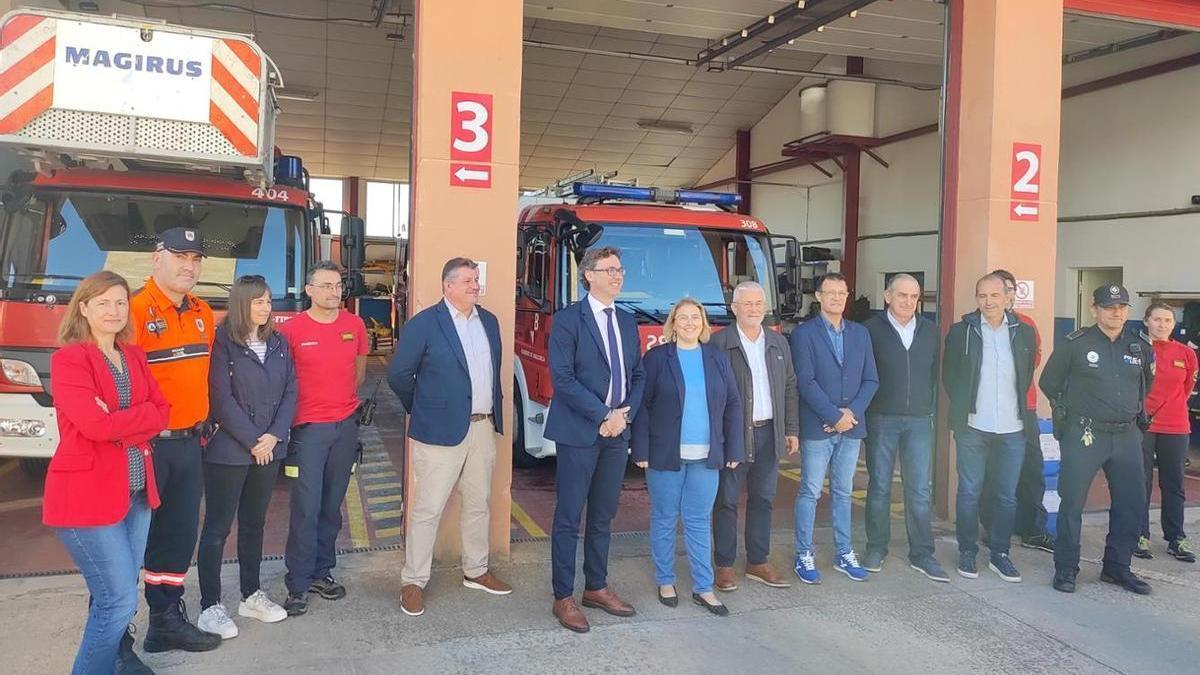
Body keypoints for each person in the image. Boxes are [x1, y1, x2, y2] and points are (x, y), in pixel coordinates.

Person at [45, 271, 170, 675]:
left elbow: (163, 412)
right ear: (83, 308)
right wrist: (140, 417)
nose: (113, 311)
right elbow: (93, 427)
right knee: (117, 601)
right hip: (87, 498)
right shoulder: (69, 360)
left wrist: (119, 416)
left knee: (116, 598)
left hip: (135, 496)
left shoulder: (133, 355)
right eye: (103, 303)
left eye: (120, 302)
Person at [388, 258, 511, 618]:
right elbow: (399, 375)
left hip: (482, 428)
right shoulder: (424, 324)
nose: (475, 285)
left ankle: (476, 570)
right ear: (448, 286)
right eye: (468, 280)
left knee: (478, 504)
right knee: (427, 509)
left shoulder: (488, 321)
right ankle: (413, 581)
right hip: (439, 432)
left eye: (476, 279)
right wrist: (425, 409)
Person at [128, 227, 221, 653]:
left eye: (196, 258)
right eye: (180, 256)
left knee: (179, 536)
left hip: (189, 445)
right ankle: (115, 636)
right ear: (157, 258)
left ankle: (165, 620)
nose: (189, 265)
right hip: (146, 447)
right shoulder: (132, 310)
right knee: (130, 540)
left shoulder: (202, 311)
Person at [544, 246, 645, 634]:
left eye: (620, 269)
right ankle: (563, 596)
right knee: (570, 517)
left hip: (617, 432)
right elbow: (563, 378)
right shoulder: (569, 320)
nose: (618, 276)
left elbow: (638, 376)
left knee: (603, 515)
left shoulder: (627, 320)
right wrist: (604, 415)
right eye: (609, 270)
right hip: (579, 431)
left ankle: (597, 587)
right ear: (589, 275)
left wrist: (622, 417)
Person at [196, 276, 297, 639]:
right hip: (230, 451)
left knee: (254, 523)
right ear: (241, 303)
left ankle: (250, 595)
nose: (266, 308)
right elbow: (221, 399)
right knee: (217, 528)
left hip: (267, 449)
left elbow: (290, 390)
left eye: (268, 301)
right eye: (258, 302)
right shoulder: (222, 342)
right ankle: (210, 606)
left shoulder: (279, 342)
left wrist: (272, 436)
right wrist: (255, 439)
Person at [632, 298, 744, 616]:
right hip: (664, 454)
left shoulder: (716, 358)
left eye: (696, 317)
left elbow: (733, 405)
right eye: (683, 317)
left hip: (706, 456)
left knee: (698, 521)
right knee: (665, 518)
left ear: (704, 323)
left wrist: (733, 448)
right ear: (673, 323)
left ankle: (703, 588)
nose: (690, 322)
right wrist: (640, 450)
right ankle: (665, 581)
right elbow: (643, 407)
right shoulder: (656, 359)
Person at [1041, 285, 1155, 595]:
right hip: (1085, 434)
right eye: (1108, 307)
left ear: (1127, 311)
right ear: (1094, 310)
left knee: (1131, 504)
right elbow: (1049, 382)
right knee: (1072, 503)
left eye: (1121, 307)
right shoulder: (1075, 344)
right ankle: (1066, 569)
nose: (1115, 312)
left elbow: (1146, 385)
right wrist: (1072, 410)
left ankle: (1117, 568)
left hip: (1127, 435)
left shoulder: (1138, 347)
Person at [278, 262, 369, 615]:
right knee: (306, 507)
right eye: (327, 286)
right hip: (308, 431)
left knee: (332, 506)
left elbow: (358, 371)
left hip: (345, 427)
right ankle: (297, 583)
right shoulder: (292, 329)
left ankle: (321, 572)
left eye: (338, 285)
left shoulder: (354, 325)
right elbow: (284, 379)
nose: (335, 292)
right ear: (309, 289)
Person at [943, 273, 1036, 583]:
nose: (988, 302)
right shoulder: (962, 332)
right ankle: (967, 551)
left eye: (994, 296)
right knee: (969, 491)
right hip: (973, 426)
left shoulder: (1023, 332)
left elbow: (1026, 373)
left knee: (1006, 495)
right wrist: (963, 406)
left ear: (1007, 298)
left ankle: (1000, 553)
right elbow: (950, 375)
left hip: (1012, 426)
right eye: (982, 296)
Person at [709, 281, 799, 592]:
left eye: (759, 303)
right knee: (726, 501)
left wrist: (790, 429)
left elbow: (789, 387)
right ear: (733, 308)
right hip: (733, 436)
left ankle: (757, 561)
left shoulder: (778, 343)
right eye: (747, 304)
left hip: (769, 433)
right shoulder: (719, 344)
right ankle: (723, 565)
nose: (754, 309)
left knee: (763, 498)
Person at [789, 272, 878, 584]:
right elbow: (805, 380)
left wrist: (849, 414)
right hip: (818, 427)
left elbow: (871, 380)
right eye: (830, 292)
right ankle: (803, 553)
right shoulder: (804, 334)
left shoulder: (860, 334)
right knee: (811, 491)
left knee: (843, 492)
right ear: (819, 297)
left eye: (841, 292)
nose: (836, 298)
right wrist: (832, 414)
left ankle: (844, 552)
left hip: (851, 427)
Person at [861, 274, 948, 582]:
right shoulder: (869, 331)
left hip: (920, 421)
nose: (908, 302)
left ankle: (922, 553)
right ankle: (876, 547)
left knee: (919, 490)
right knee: (880, 486)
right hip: (881, 418)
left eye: (914, 297)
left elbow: (938, 375)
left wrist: (934, 411)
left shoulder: (931, 332)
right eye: (902, 296)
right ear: (887, 296)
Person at [980, 269, 1055, 553]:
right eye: (1001, 290)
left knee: (1032, 470)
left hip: (1026, 409)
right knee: (993, 473)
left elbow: (1032, 361)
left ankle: (1032, 530)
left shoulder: (1027, 324)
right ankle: (994, 529)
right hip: (992, 414)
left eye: (1011, 290)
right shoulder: (978, 325)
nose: (1007, 295)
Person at [1135, 303, 1197, 562]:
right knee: (1141, 483)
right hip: (1143, 426)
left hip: (1176, 426)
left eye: (1168, 320)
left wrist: (1171, 408)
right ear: (1146, 321)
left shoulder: (1186, 353)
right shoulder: (1137, 350)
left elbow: (1186, 387)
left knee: (1174, 484)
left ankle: (1176, 538)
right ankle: (1140, 535)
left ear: (1174, 324)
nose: (1162, 325)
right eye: (1157, 319)